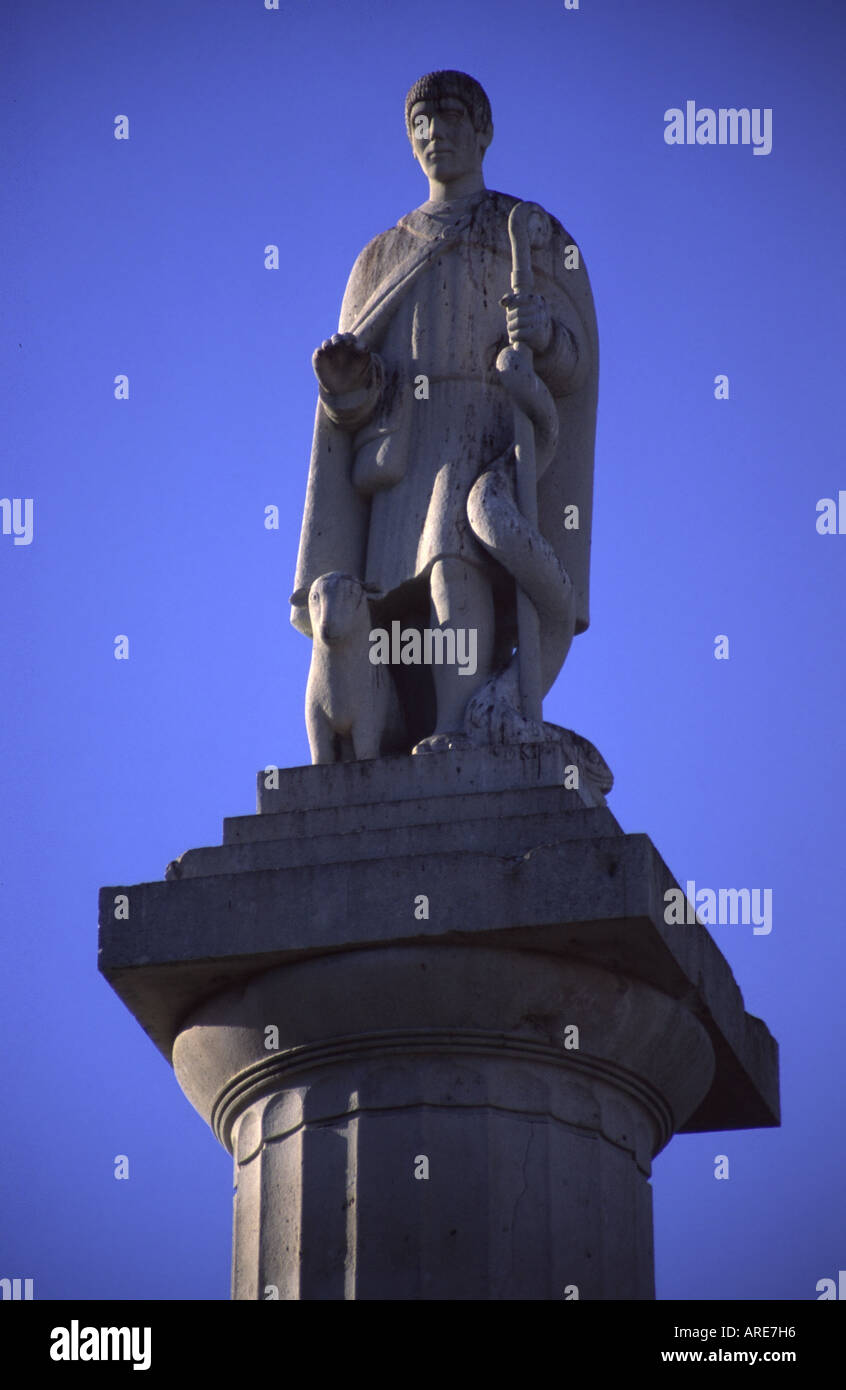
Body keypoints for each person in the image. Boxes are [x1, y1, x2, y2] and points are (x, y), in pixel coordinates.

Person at [291, 70, 598, 754]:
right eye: (422, 124)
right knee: (390, 598)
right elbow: (352, 405)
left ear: (483, 132)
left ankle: (460, 725)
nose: (437, 135)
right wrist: (346, 386)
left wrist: (544, 335)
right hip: (403, 445)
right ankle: (378, 732)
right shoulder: (379, 257)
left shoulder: (521, 230)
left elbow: (573, 369)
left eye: (453, 119)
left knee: (453, 563)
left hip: (485, 426)